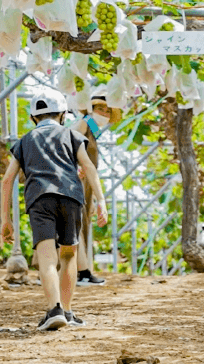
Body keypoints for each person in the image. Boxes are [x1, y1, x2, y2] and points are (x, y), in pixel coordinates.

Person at [0, 92, 108, 331]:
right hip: (70, 197)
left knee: (47, 257)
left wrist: (5, 220)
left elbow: (7, 180)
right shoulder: (71, 134)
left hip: (39, 199)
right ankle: (67, 312)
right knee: (68, 253)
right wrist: (101, 201)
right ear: (62, 115)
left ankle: (54, 309)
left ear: (32, 117)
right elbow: (87, 165)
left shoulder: (25, 141)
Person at [66, 91, 122, 286]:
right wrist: (75, 166)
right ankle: (82, 271)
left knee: (82, 222)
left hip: (85, 182)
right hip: (76, 180)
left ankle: (81, 270)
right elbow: (66, 144)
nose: (104, 113)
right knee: (76, 223)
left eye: (107, 111)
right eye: (100, 109)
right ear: (90, 108)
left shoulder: (91, 128)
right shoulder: (84, 122)